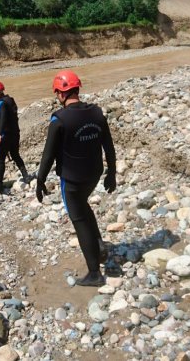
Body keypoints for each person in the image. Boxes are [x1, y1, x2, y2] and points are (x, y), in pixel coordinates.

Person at [36, 70, 117, 287]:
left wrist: (40, 180)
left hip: (72, 180)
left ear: (61, 94)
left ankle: (94, 273)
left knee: (78, 218)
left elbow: (48, 154)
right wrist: (112, 173)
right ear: (77, 89)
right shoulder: (97, 113)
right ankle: (99, 246)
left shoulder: (59, 120)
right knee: (83, 206)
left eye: (56, 93)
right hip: (94, 174)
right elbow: (108, 146)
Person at [0, 80, 31, 195]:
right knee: (15, 155)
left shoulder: (1, 103)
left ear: (0, 91)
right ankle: (26, 177)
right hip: (15, 133)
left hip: (5, 135)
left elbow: (3, 118)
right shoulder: (10, 100)